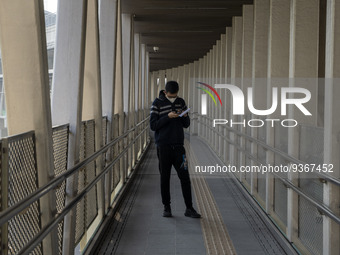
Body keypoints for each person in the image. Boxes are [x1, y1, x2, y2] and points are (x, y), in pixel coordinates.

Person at [150, 81, 201, 218]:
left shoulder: (180, 102)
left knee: (185, 177)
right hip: (164, 147)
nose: (173, 98)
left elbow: (186, 124)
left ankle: (189, 208)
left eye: (175, 95)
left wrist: (185, 117)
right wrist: (167, 117)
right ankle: (167, 207)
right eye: (171, 96)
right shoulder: (157, 103)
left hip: (179, 147)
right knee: (164, 178)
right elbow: (153, 125)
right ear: (165, 92)